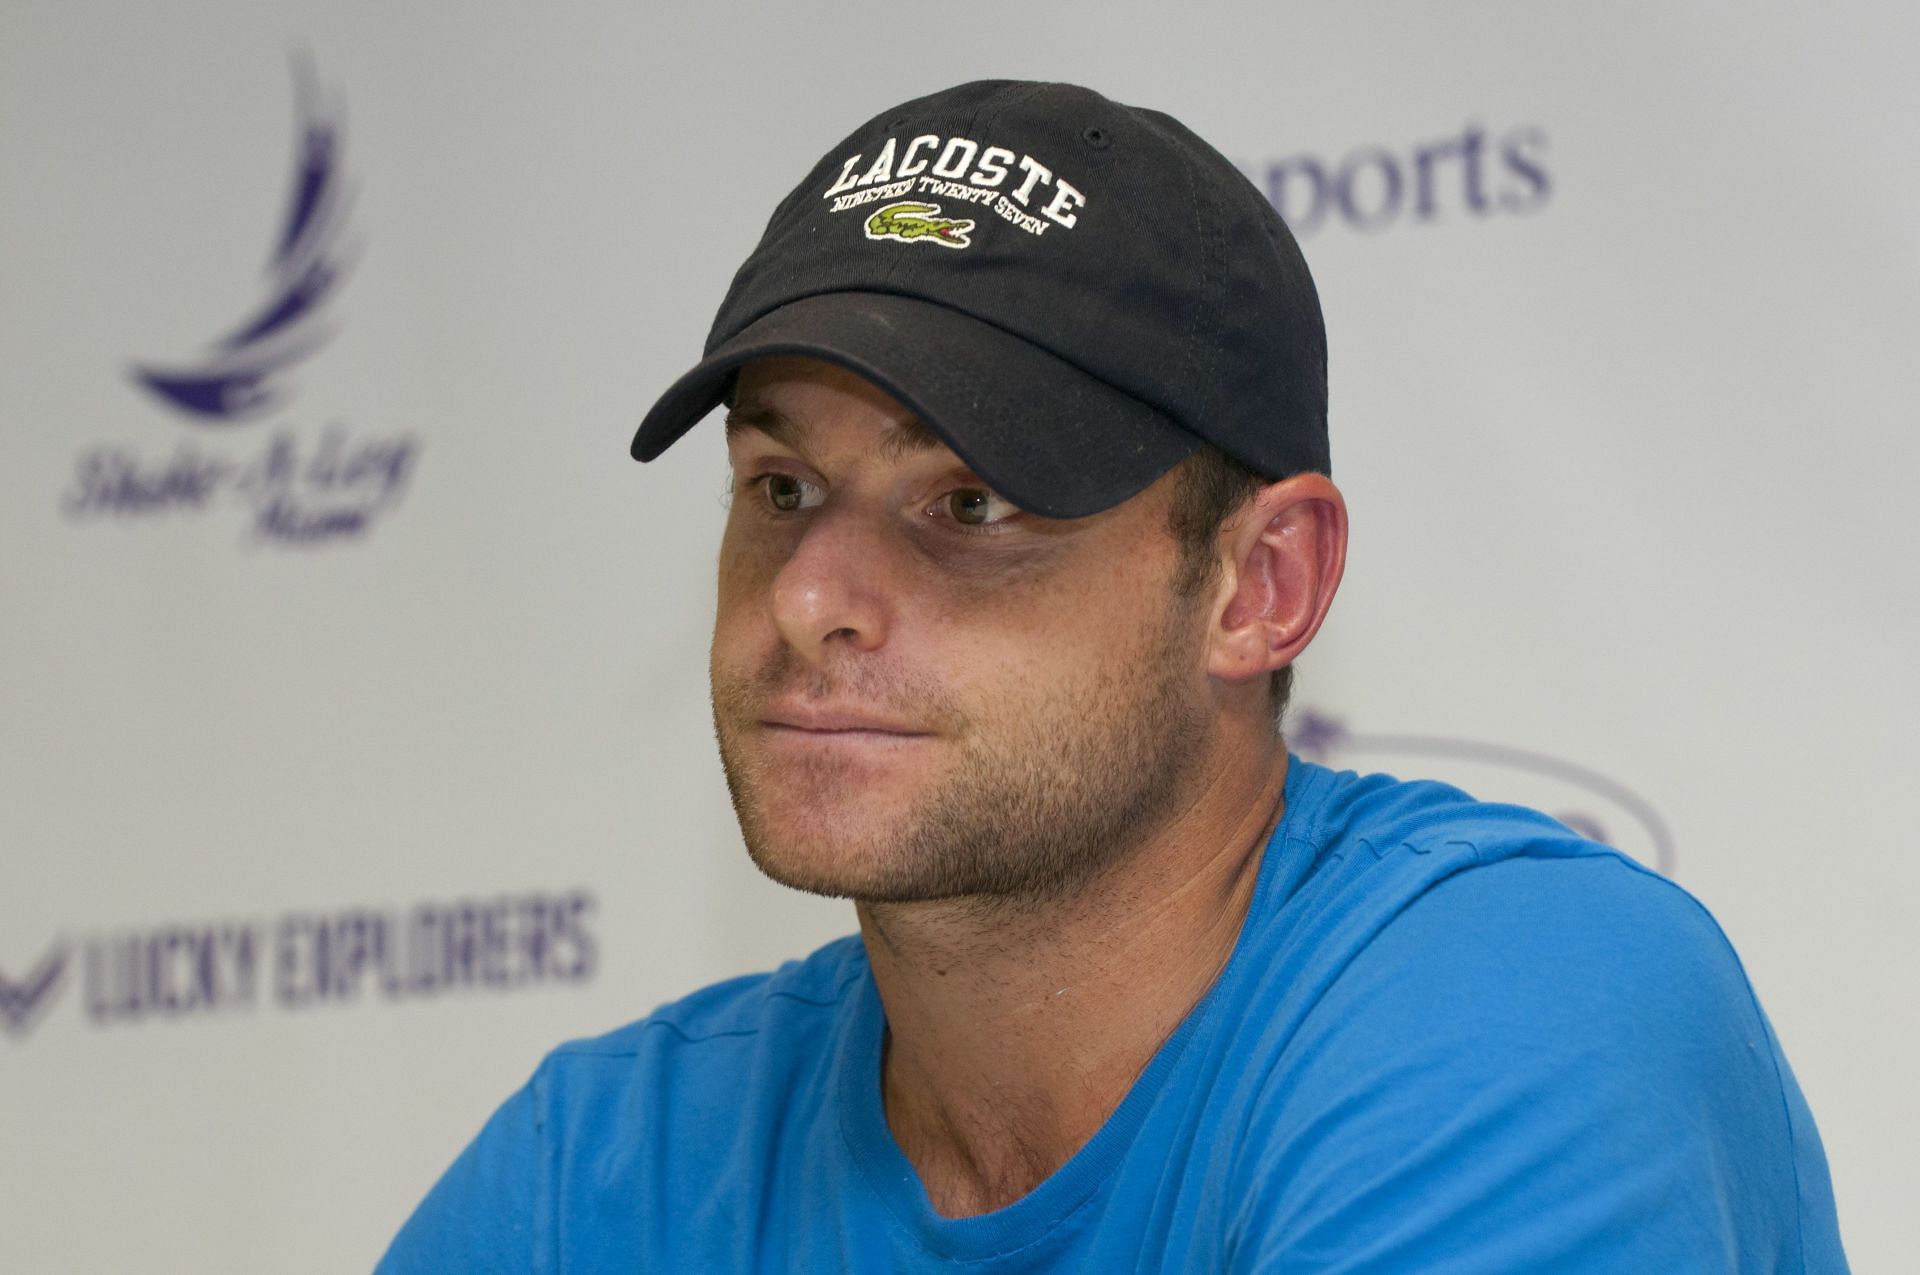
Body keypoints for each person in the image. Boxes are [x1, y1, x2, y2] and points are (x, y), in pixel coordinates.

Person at [379, 80, 1847, 1272]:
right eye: (779, 488)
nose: (812, 596)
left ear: (1258, 586)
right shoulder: (605, 1171)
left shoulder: (1515, 1005)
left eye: (968, 507)